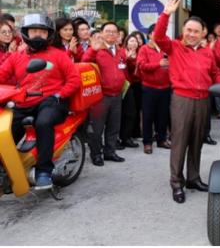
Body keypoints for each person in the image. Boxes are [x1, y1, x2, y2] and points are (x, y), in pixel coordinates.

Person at [153, 0, 220, 204]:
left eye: (196, 31)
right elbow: (159, 36)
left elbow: (215, 74)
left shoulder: (207, 52)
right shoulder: (174, 47)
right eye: (189, 30)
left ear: (203, 33)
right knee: (179, 142)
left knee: (197, 142)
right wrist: (166, 14)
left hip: (203, 100)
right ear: (184, 31)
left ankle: (193, 178)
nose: (192, 34)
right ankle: (177, 182)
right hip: (182, 99)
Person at [0, 14, 81, 189]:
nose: (37, 35)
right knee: (4, 129)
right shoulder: (16, 57)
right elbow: (1, 75)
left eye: (42, 32)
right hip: (23, 102)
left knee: (43, 122)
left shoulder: (59, 55)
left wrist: (59, 95)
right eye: (34, 31)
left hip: (51, 101)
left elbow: (74, 79)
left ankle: (43, 171)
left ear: (49, 34)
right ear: (26, 32)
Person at [82, 22, 133, 166]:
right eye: (108, 31)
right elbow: (85, 63)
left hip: (117, 95)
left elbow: (123, 70)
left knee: (113, 126)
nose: (111, 34)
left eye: (114, 32)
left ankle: (110, 152)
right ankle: (96, 154)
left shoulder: (121, 51)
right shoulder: (97, 49)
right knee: (97, 128)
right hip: (100, 96)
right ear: (102, 33)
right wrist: (93, 50)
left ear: (118, 35)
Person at [137, 24, 171, 154]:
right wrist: (159, 64)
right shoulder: (144, 49)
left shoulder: (167, 48)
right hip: (149, 87)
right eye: (155, 33)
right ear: (150, 35)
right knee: (148, 116)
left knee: (163, 115)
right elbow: (142, 66)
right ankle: (147, 142)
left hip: (166, 87)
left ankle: (162, 139)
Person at [117, 33, 141, 149]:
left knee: (131, 112)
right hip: (118, 87)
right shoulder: (121, 52)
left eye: (135, 41)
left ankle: (126, 137)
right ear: (126, 42)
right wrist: (127, 59)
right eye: (131, 41)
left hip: (129, 86)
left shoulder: (140, 53)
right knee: (118, 115)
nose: (134, 43)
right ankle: (116, 139)